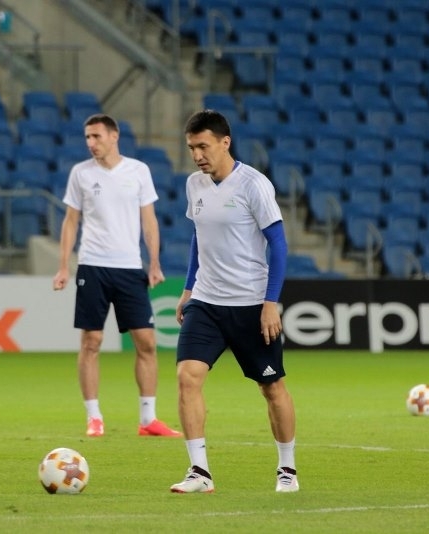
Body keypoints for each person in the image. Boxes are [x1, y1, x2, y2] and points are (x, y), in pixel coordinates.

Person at [169, 110, 298, 493]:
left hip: (250, 305)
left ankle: (287, 470)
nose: (197, 155)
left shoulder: (253, 184)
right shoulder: (194, 184)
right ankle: (199, 472)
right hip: (206, 301)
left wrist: (270, 302)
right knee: (187, 377)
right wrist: (189, 289)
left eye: (203, 146)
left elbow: (278, 244)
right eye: (191, 148)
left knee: (272, 388)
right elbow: (198, 236)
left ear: (225, 142)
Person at [52, 113, 181, 438]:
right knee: (91, 341)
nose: (91, 143)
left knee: (147, 342)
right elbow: (71, 221)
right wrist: (64, 265)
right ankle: (94, 417)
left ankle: (148, 419)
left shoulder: (138, 171)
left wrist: (154, 262)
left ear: (114, 136)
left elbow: (149, 221)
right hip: (93, 265)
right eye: (87, 137)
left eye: (96, 136)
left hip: (129, 267)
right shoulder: (81, 173)